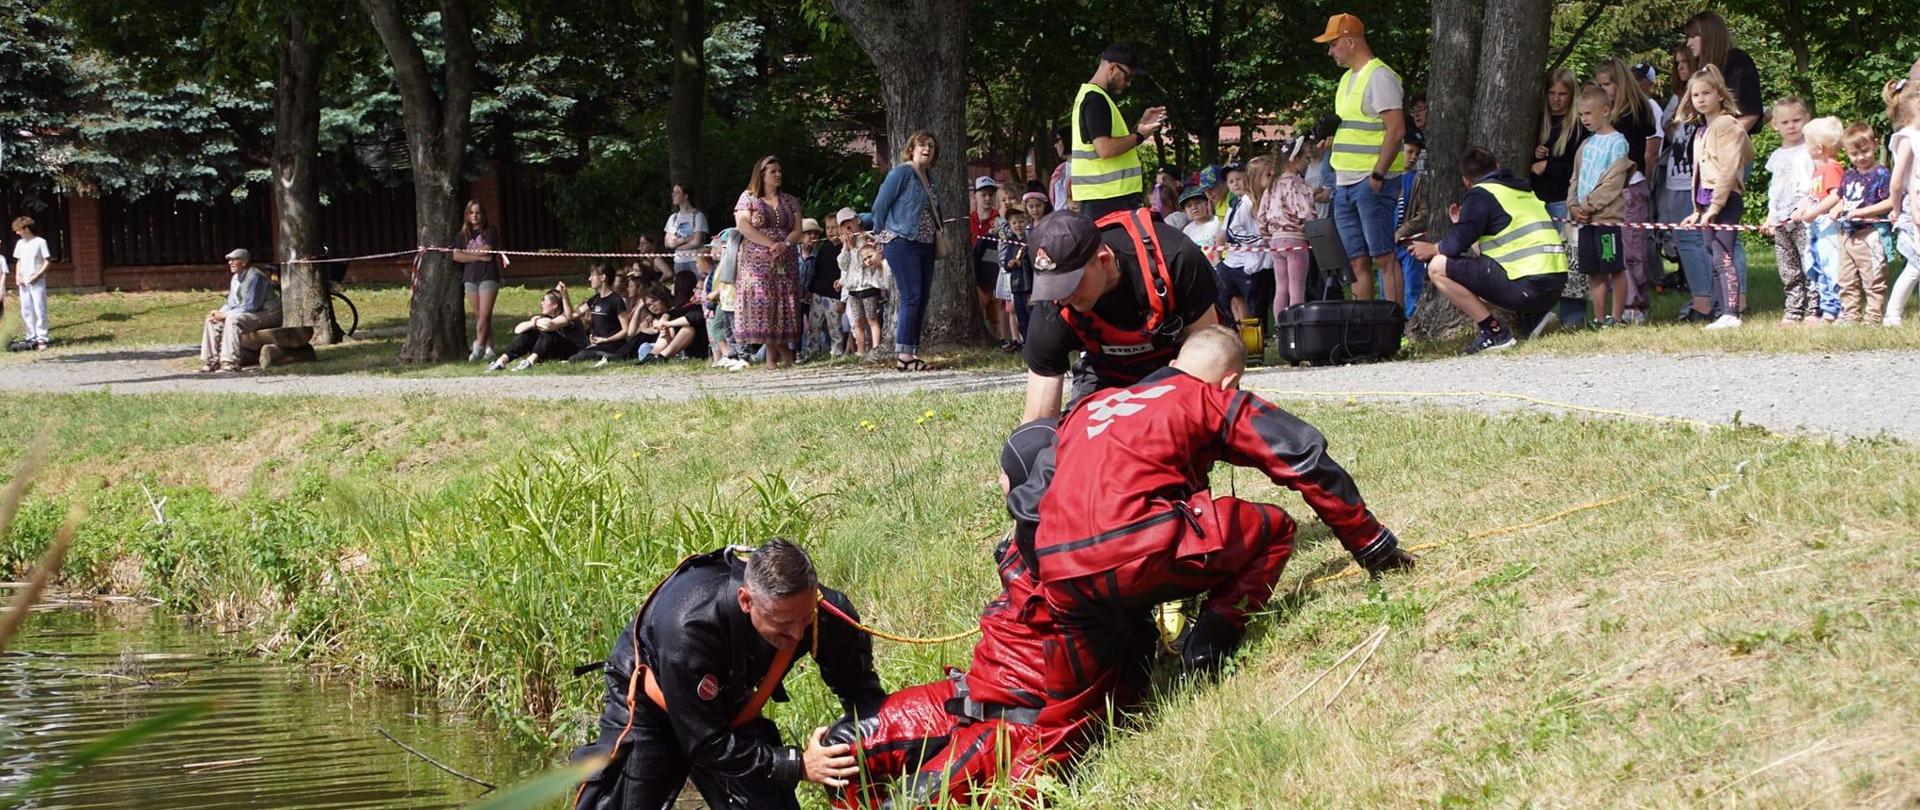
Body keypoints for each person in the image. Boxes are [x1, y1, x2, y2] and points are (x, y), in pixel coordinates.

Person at [1027, 327, 1413, 682]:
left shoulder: (1088, 408)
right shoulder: (1210, 398)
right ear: (1231, 382)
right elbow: (1304, 457)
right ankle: (1207, 650)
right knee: (1274, 528)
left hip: (1061, 575)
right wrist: (1372, 545)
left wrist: (1046, 589)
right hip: (1139, 553)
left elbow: (1029, 505)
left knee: (1081, 716)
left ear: (1173, 364)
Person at [826, 420, 1156, 809]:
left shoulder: (1080, 566)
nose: (998, 480)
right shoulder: (1023, 539)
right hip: (967, 696)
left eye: (1004, 473)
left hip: (1013, 726)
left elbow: (1089, 699)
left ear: (1026, 483)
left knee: (905, 804)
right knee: (840, 750)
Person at [570, 539, 886, 810]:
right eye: (782, 624)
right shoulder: (689, 628)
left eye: (804, 619)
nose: (796, 634)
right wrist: (798, 764)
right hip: (651, 704)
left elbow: (861, 693)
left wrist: (877, 753)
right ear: (746, 601)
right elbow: (706, 745)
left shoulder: (824, 613)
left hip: (728, 705)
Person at [1019, 210, 1222, 422]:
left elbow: (1208, 362)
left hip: (1177, 368)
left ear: (1103, 261)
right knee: (1075, 443)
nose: (1062, 298)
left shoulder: (1175, 256)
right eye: (1053, 287)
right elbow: (1038, 418)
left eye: (1069, 285)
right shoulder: (1055, 301)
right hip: (1107, 372)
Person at [1408, 146, 1570, 354]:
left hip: (1527, 286)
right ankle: (1533, 319)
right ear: (1497, 166)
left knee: (1437, 267)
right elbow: (1489, 252)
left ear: (1466, 181)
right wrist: (1462, 224)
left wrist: (1432, 248)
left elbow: (1454, 246)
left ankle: (1494, 333)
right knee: (1474, 282)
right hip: (1554, 284)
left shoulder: (1480, 195)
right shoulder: (1522, 190)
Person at [1314, 13, 1407, 306]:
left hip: (1371, 182)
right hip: (1344, 184)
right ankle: (1364, 326)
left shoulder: (1379, 76)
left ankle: (1394, 323)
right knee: (1356, 263)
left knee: (1383, 257)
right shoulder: (1346, 79)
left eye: (1332, 45)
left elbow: (1396, 130)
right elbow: (1357, 125)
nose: (1330, 52)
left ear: (1349, 41)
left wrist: (1378, 175)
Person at [1680, 65, 1755, 331]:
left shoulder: (1727, 126)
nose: (1700, 99)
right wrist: (1697, 209)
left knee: (1723, 256)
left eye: (1706, 93)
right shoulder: (1702, 130)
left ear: (1720, 94)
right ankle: (1722, 311)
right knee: (1713, 256)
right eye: (1695, 95)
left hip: (1725, 200)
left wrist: (1715, 206)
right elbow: (1701, 175)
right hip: (1707, 202)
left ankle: (1732, 313)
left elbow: (1728, 169)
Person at [1594, 57, 1664, 323]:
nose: (1604, 90)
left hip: (1630, 187)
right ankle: (1620, 304)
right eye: (1600, 85)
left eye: (1608, 84)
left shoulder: (1634, 110)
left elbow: (1642, 146)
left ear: (1619, 82)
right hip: (1609, 191)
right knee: (1612, 249)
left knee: (1632, 249)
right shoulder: (1608, 112)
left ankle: (1635, 305)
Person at [870, 130, 942, 371]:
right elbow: (880, 205)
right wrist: (881, 236)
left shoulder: (931, 178)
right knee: (911, 296)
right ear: (911, 148)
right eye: (922, 144)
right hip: (902, 241)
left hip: (926, 244)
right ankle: (904, 355)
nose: (927, 149)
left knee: (920, 299)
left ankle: (911, 350)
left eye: (931, 146)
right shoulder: (901, 173)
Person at [1069, 43, 1167, 220]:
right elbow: (1105, 149)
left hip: (1102, 198)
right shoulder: (1096, 100)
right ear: (1113, 67)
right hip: (1109, 199)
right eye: (1128, 76)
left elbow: (1107, 144)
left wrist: (1140, 126)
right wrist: (1139, 136)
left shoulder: (1091, 96)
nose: (1128, 83)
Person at [1568, 87, 1634, 327]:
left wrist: (1588, 205)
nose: (1584, 118)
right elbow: (1575, 178)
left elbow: (1613, 182)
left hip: (1606, 219)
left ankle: (1616, 318)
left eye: (1588, 113)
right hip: (1585, 221)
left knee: (1613, 267)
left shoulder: (1618, 143)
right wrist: (1574, 206)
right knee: (1593, 271)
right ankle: (1598, 318)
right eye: (1581, 114)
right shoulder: (1585, 144)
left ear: (1605, 111)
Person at [733, 155, 805, 370]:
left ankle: (772, 362)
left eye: (779, 171)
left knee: (781, 306)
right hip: (756, 262)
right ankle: (787, 358)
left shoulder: (790, 201)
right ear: (761, 175)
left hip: (785, 258)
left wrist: (784, 244)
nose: (778, 175)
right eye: (773, 171)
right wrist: (770, 244)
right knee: (765, 306)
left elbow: (798, 230)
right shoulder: (748, 198)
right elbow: (743, 226)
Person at [1663, 47, 1718, 323]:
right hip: (1676, 175)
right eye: (1677, 63)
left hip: (1698, 181)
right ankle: (1700, 297)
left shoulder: (1707, 103)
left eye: (1686, 62)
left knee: (1702, 241)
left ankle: (1708, 301)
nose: (1681, 67)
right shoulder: (1678, 99)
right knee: (1684, 241)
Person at [1830, 123, 1893, 324]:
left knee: (1873, 276)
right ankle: (1851, 315)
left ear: (1875, 145)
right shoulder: (1850, 174)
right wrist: (1837, 207)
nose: (1860, 157)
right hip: (1847, 234)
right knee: (1846, 278)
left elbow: (1891, 201)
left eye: (1864, 151)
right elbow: (1843, 197)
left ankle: (1873, 316)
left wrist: (1863, 212)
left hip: (1870, 232)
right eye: (1853, 154)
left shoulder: (1882, 174)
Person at [1762, 97, 1817, 324]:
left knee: (1809, 263)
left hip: (1804, 219)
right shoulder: (1776, 156)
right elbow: (1775, 189)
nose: (1792, 126)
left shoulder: (1810, 150)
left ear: (1807, 120)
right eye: (1785, 122)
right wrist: (1770, 215)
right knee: (1788, 267)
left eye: (1797, 120)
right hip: (1782, 219)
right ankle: (1794, 308)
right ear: (1775, 124)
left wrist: (1805, 205)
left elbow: (1815, 182)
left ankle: (1816, 308)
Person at [1795, 116, 1848, 324]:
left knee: (1832, 266)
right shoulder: (1818, 170)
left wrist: (1814, 212)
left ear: (1818, 148)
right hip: (1817, 226)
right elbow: (1814, 195)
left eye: (1807, 143)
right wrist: (1803, 210)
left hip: (1828, 226)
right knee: (1820, 267)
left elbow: (1836, 195)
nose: (1805, 147)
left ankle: (1843, 308)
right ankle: (1828, 310)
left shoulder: (1832, 168)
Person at [197, 248, 281, 371]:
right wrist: (220, 313)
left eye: (234, 259)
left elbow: (252, 305)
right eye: (229, 260)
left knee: (232, 319)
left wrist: (226, 315)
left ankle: (230, 363)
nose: (230, 263)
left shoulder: (256, 277)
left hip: (269, 314)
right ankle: (212, 361)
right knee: (211, 320)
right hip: (250, 314)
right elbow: (231, 303)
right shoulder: (235, 278)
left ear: (244, 262)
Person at [1683, 11, 1764, 134]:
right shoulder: (1702, 67)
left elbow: (1750, 113)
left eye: (1693, 37)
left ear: (1709, 35)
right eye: (1687, 38)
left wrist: (1722, 140)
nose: (1689, 43)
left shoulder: (1737, 61)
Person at [1262, 148, 1318, 313]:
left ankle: (1281, 329)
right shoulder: (1298, 185)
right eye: (1306, 158)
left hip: (1275, 241)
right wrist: (1312, 230)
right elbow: (1306, 212)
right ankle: (1295, 328)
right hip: (1296, 240)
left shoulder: (1272, 186)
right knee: (1297, 290)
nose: (1308, 163)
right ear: (1295, 159)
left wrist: (1268, 236)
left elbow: (1262, 215)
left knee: (1281, 289)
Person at [451, 200, 505, 362]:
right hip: (470, 277)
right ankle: (490, 348)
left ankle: (479, 347)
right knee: (479, 315)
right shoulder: (461, 235)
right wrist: (478, 256)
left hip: (488, 275)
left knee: (485, 313)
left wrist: (468, 253)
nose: (475, 216)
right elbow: (456, 256)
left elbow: (489, 250)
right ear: (467, 215)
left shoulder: (490, 231)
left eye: (478, 212)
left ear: (483, 214)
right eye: (471, 213)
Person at [1219, 157, 1270, 325]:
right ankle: (1236, 330)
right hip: (1231, 261)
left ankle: (1256, 338)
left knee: (1255, 305)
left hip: (1251, 263)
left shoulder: (1250, 200)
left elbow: (1234, 232)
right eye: (1230, 181)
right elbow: (1226, 231)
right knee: (1224, 297)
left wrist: (1259, 241)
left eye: (1239, 179)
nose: (1235, 184)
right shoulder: (1235, 203)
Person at [487, 286, 582, 371]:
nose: (542, 303)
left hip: (570, 351)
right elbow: (518, 330)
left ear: (555, 305)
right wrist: (532, 324)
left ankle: (530, 362)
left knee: (547, 332)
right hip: (553, 350)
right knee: (530, 333)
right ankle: (501, 361)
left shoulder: (567, 317)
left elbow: (549, 325)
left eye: (545, 301)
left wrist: (535, 322)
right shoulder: (544, 317)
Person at [1886, 84, 1920, 325]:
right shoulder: (1907, 138)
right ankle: (1893, 314)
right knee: (1915, 265)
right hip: (1914, 205)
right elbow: (1897, 181)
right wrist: (1897, 209)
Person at [804, 211, 850, 360]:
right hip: (818, 293)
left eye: (834, 227)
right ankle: (813, 351)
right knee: (813, 325)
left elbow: (845, 272)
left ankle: (837, 351)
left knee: (834, 325)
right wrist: (811, 290)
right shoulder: (824, 247)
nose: (831, 231)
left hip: (834, 295)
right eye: (828, 228)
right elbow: (816, 270)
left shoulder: (844, 249)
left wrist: (842, 297)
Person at [566, 263, 632, 363]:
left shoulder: (616, 300)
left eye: (592, 276)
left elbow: (625, 330)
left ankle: (611, 357)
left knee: (581, 356)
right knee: (577, 356)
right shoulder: (595, 299)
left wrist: (606, 340)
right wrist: (564, 295)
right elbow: (571, 316)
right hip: (599, 345)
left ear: (602, 277)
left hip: (613, 346)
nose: (589, 279)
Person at [970, 176, 1007, 347]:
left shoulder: (1000, 220)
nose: (987, 198)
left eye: (991, 195)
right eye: (983, 194)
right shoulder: (968, 220)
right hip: (973, 277)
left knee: (996, 317)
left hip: (994, 277)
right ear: (975, 196)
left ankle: (998, 343)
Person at [665, 184, 710, 308]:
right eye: (673, 192)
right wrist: (687, 239)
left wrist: (677, 244)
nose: (673, 195)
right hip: (679, 261)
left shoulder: (698, 216)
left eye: (677, 192)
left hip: (695, 260)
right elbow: (667, 243)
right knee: (681, 292)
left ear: (685, 196)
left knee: (699, 289)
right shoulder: (673, 218)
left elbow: (697, 242)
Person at [10, 217, 51, 351]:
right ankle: (31, 336)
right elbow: (19, 261)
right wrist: (18, 275)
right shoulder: (20, 244)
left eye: (19, 230)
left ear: (26, 229)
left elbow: (47, 261)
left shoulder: (40, 242)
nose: (17, 233)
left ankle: (42, 338)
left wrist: (37, 275)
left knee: (40, 309)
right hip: (24, 282)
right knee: (26, 310)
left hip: (37, 281)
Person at [1178, 186, 1222, 263]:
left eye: (1197, 203)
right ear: (1185, 211)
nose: (1194, 208)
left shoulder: (1217, 222)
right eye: (1189, 206)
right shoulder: (1187, 231)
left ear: (1206, 203)